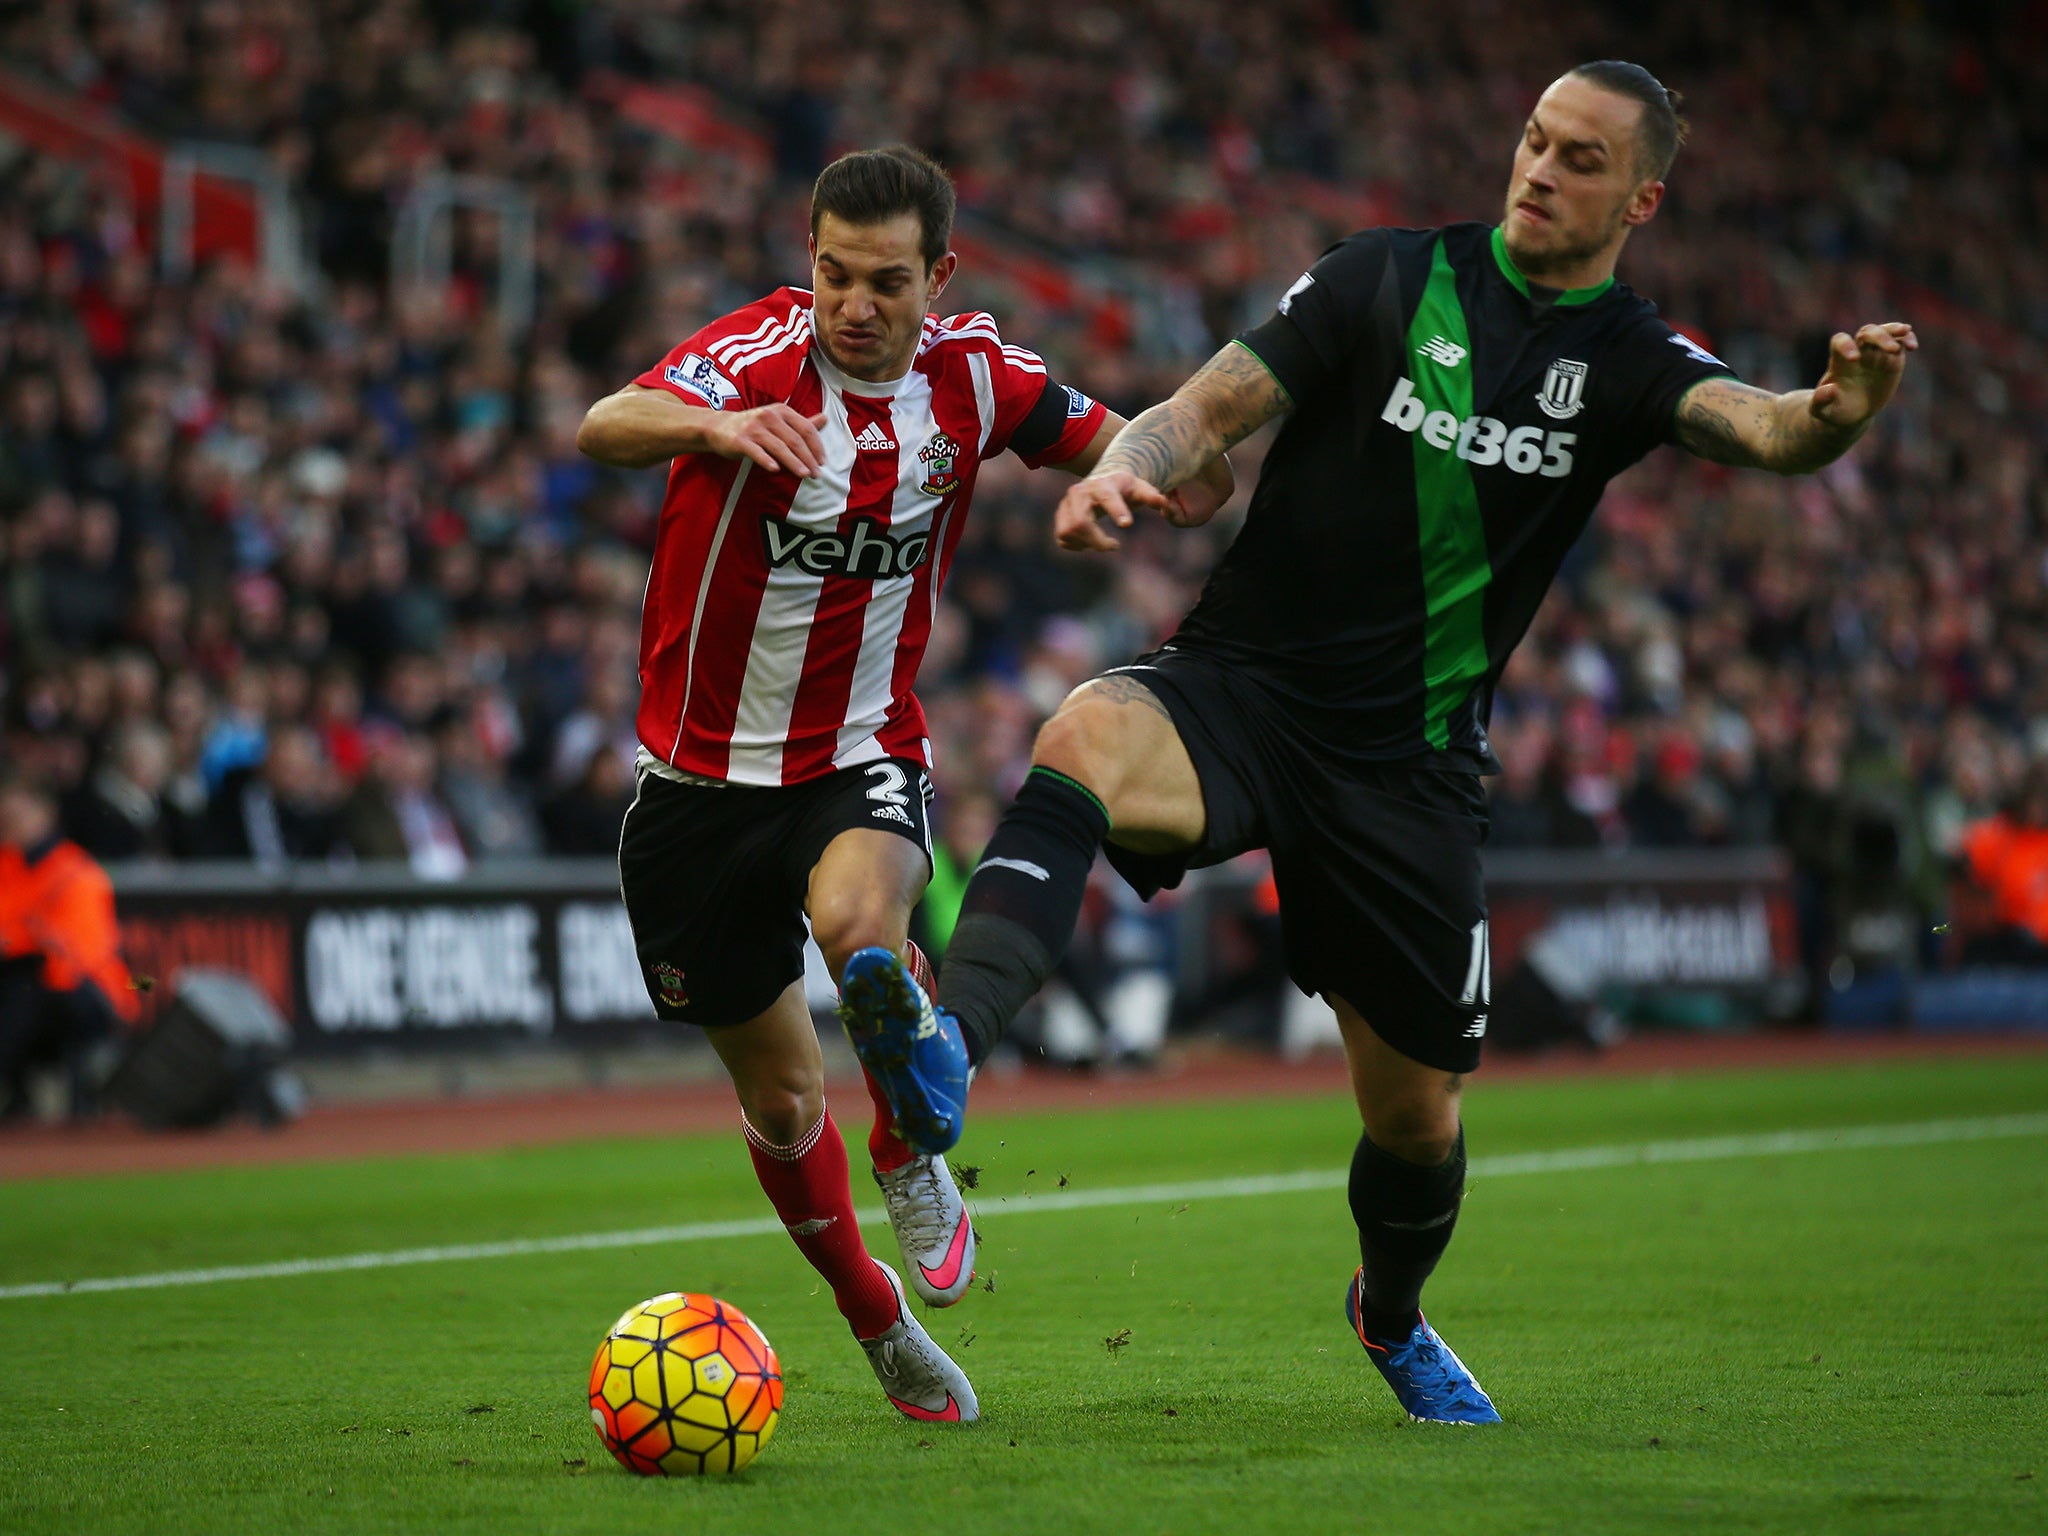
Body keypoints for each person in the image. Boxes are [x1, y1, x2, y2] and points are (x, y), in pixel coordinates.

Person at [842, 63, 1916, 1424]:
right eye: (1533, 140)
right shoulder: (1382, 278)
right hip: (1245, 689)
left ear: (1641, 198)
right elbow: (1207, 408)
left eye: (1581, 159)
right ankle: (947, 1050)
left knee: (1417, 1122)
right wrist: (1130, 463)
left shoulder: (1629, 358)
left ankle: (1391, 1315)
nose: (1540, 169)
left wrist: (1836, 414)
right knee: (1086, 734)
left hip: (1407, 772)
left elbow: (1764, 429)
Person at [575, 145, 1231, 1424]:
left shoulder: (977, 374)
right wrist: (709, 423)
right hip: (694, 793)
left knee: (861, 935)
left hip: (857, 754)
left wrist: (1132, 476)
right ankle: (874, 1319)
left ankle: (905, 1140)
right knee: (775, 1098)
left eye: (885, 281)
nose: (853, 306)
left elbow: (1153, 458)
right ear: (805, 262)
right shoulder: (753, 358)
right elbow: (605, 422)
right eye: (831, 274)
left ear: (939, 275)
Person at [0, 772, 138, 1120]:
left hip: (92, 992)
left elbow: (74, 956)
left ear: (45, 814)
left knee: (27, 989)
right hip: (27, 982)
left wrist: (18, 939)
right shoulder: (7, 867)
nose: (7, 826)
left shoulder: (78, 872)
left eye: (15, 817)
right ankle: (19, 1094)